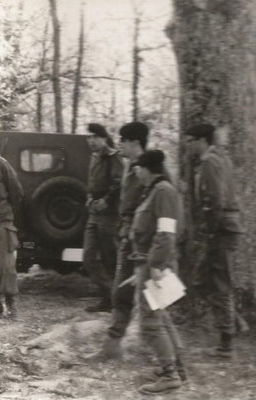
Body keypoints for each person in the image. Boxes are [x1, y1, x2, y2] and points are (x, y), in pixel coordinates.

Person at [185, 123, 244, 358]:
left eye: (190, 140)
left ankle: (226, 343)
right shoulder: (220, 158)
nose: (187, 145)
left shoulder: (210, 161)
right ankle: (234, 321)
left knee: (220, 284)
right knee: (200, 281)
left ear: (201, 140)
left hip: (221, 229)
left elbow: (215, 200)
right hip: (224, 228)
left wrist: (209, 229)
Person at [91, 122, 149, 359]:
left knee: (157, 293)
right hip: (128, 236)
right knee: (122, 291)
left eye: (123, 140)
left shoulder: (152, 168)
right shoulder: (129, 166)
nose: (120, 144)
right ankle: (112, 346)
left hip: (147, 242)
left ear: (135, 142)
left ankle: (167, 346)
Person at [130, 150, 184, 395]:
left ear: (147, 168)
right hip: (151, 262)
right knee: (161, 316)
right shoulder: (156, 190)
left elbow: (165, 232)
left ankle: (170, 375)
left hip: (155, 265)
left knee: (151, 321)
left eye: (137, 167)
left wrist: (156, 265)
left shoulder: (162, 191)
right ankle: (177, 368)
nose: (135, 171)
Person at [83, 123, 124, 312]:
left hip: (109, 214)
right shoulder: (94, 158)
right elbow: (91, 183)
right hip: (94, 213)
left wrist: (106, 201)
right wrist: (90, 198)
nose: (91, 141)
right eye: (88, 137)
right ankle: (109, 296)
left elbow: (118, 183)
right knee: (88, 257)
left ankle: (116, 301)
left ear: (103, 137)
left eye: (94, 137)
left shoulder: (113, 157)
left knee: (111, 258)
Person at [0, 143, 24, 319]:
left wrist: (8, 215)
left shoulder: (1, 164)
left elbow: (16, 191)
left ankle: (11, 305)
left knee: (5, 265)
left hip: (2, 220)